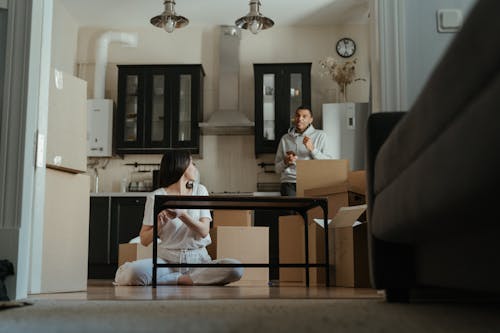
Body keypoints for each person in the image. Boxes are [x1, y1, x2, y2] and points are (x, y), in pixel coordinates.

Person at [114, 150, 243, 286]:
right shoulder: (156, 196)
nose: (195, 167)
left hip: (198, 261)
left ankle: (174, 280)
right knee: (132, 273)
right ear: (181, 166)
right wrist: (159, 225)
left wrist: (182, 215)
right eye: (192, 163)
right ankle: (188, 280)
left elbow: (204, 231)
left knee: (235, 269)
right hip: (167, 261)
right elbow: (145, 240)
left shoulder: (200, 191)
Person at [275, 105, 331, 196]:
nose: (300, 118)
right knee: (290, 210)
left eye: (304, 116)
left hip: (313, 182)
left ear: (311, 119)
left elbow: (328, 164)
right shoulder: (285, 138)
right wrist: (286, 162)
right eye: (297, 115)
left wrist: (312, 149)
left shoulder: (321, 135)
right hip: (289, 183)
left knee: (313, 210)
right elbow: (277, 169)